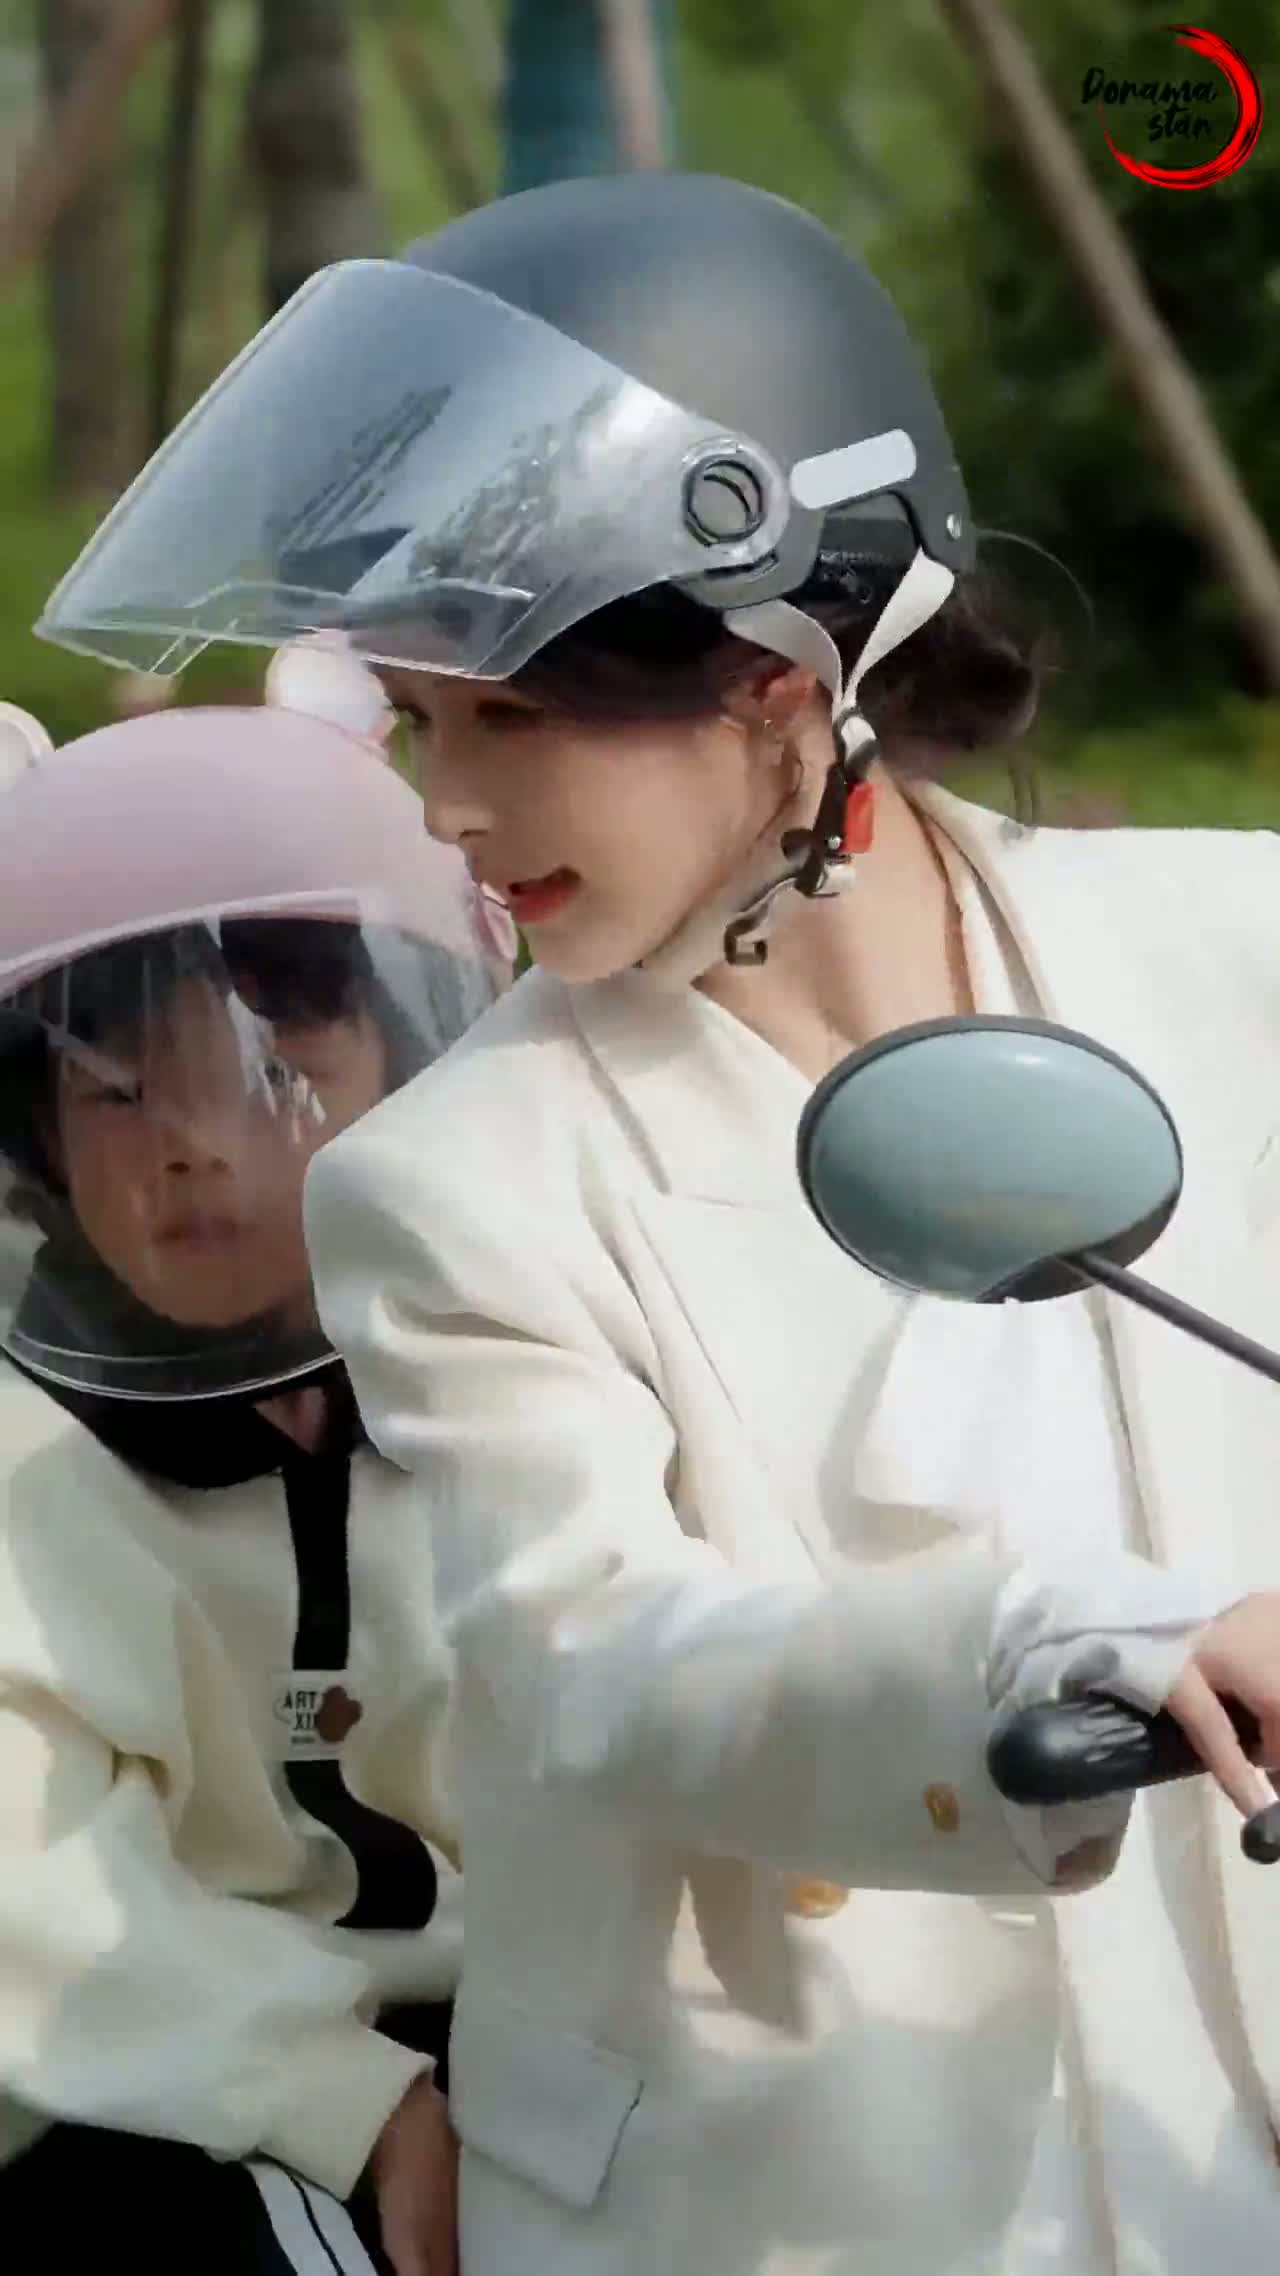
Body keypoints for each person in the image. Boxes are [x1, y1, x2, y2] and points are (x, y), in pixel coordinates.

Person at [34, 173, 1280, 2276]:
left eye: (512, 718)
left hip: (1214, 2134)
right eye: (421, 720)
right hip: (769, 2192)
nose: (446, 808)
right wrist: (1064, 1641)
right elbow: (601, 1658)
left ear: (786, 677)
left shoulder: (1235, 953)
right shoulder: (454, 1176)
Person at [0, 641, 514, 2276]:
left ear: (412, 1068)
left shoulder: (508, 1381)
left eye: (276, 1074)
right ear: (34, 1140)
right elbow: (35, 1901)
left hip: (556, 2038)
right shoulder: (27, 1460)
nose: (196, 1144)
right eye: (116, 1094)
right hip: (164, 2088)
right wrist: (354, 2101)